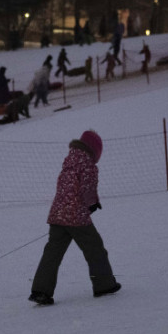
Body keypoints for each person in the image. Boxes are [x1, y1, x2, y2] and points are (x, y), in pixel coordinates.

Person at [29, 131, 120, 305]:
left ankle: (41, 290)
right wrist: (92, 203)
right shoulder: (88, 164)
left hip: (57, 215)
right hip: (77, 216)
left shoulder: (69, 161)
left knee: (52, 253)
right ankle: (104, 284)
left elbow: (65, 188)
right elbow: (87, 187)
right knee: (95, 248)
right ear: (95, 150)